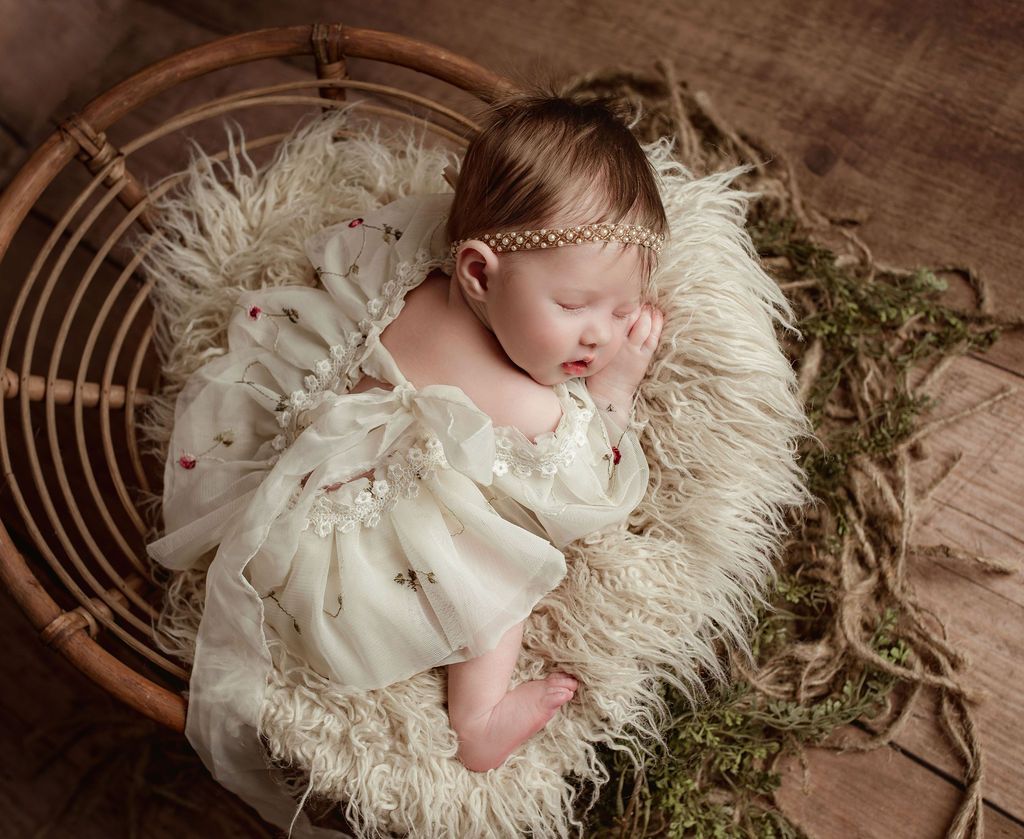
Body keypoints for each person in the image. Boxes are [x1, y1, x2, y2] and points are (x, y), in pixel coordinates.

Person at [147, 85, 667, 833]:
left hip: (279, 478)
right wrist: (614, 394)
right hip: (339, 570)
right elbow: (587, 488)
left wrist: (584, 314)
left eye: (623, 312)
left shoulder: (415, 265)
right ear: (480, 272)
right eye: (575, 307)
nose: (602, 340)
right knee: (496, 571)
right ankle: (478, 716)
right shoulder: (525, 402)